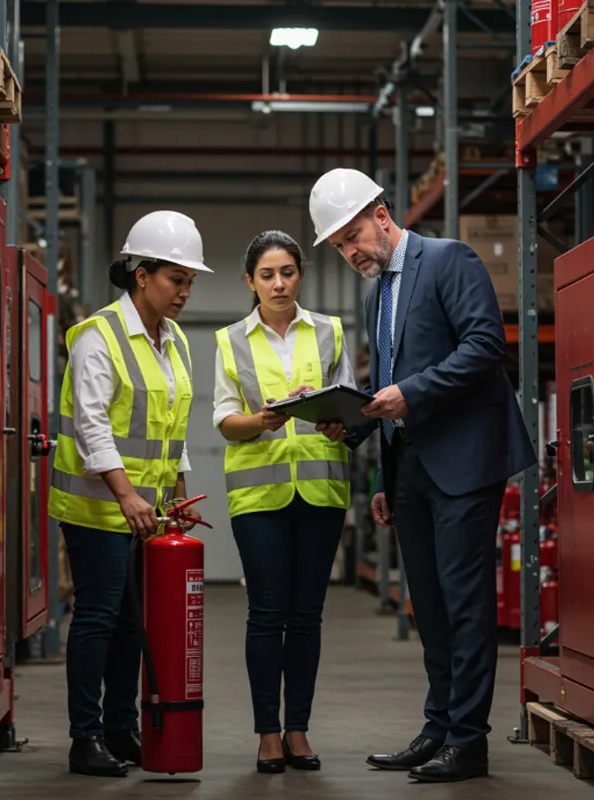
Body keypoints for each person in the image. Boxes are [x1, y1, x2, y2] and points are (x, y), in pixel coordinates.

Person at [308, 168, 537, 783]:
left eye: (353, 235)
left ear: (381, 215)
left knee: (464, 605)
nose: (351, 251)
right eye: (338, 247)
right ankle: (439, 726)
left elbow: (485, 346)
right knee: (429, 607)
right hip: (409, 467)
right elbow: (386, 388)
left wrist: (409, 394)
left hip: (463, 462)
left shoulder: (448, 260)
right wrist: (355, 430)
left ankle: (469, 741)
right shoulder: (377, 289)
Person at [47, 210, 212, 778]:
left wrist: (177, 494)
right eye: (175, 280)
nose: (185, 292)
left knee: (129, 622)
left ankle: (120, 729)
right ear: (140, 274)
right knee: (97, 616)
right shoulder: (100, 337)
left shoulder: (176, 343)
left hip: (147, 510)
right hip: (98, 509)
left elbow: (172, 424)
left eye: (190, 282)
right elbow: (92, 425)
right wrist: (126, 496)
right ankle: (84, 738)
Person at [212, 230, 354, 775]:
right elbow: (226, 421)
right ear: (250, 281)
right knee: (267, 614)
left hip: (320, 491)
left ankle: (299, 729)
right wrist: (263, 421)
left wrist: (343, 426)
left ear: (300, 275)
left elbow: (348, 404)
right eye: (267, 274)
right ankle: (267, 733)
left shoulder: (329, 332)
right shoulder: (231, 340)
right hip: (259, 496)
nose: (278, 283)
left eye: (288, 272)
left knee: (308, 616)